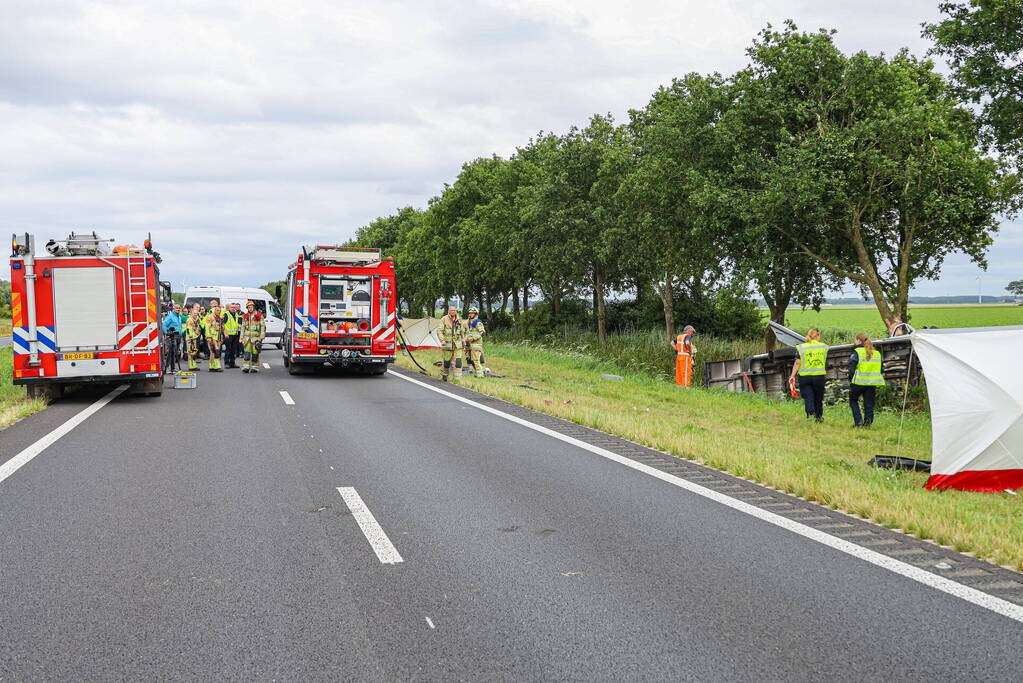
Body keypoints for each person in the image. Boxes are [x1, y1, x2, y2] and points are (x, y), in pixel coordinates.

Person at [789, 328, 828, 422]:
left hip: (805, 377)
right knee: (818, 398)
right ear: (818, 335)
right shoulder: (823, 347)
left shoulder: (801, 347)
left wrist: (792, 375)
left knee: (808, 396)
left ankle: (810, 413)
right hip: (819, 376)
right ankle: (819, 417)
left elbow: (797, 362)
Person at [848, 332, 885, 427]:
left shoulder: (857, 352)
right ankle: (868, 423)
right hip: (872, 383)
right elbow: (881, 369)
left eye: (855, 340)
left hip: (858, 383)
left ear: (858, 340)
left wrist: (851, 381)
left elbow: (851, 369)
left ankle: (858, 422)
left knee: (853, 400)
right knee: (869, 403)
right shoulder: (877, 353)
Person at [439, 305, 466, 382]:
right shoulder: (444, 319)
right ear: (448, 311)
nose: (453, 312)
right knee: (446, 363)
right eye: (451, 310)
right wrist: (442, 340)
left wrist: (464, 344)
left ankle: (457, 380)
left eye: (454, 310)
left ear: (456, 311)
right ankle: (444, 376)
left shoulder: (459, 320)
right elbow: (439, 331)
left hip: (458, 346)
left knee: (458, 362)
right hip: (447, 346)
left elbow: (462, 333)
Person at [240, 300, 266, 373]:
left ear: (254, 307)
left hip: (256, 338)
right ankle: (246, 367)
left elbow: (263, 326)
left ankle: (255, 367)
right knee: (247, 353)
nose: (250, 308)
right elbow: (243, 327)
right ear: (247, 308)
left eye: (251, 307)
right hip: (247, 339)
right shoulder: (245, 316)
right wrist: (241, 338)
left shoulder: (259, 315)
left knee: (255, 353)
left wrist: (261, 337)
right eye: (249, 307)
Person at [162, 303, 184, 373]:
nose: (178, 309)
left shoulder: (179, 316)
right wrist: (167, 333)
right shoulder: (170, 316)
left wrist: (181, 336)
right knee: (171, 352)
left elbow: (179, 327)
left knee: (175, 353)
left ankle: (172, 368)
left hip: (178, 336)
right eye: (177, 308)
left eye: (179, 308)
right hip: (172, 337)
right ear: (173, 309)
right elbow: (164, 324)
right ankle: (167, 368)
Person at [464, 307, 486, 378]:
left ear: (476, 314)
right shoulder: (469, 322)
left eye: (472, 313)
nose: (470, 314)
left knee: (476, 360)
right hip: (470, 344)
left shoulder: (478, 322)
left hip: (476, 344)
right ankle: (476, 372)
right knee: (470, 358)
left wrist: (473, 338)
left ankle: (480, 375)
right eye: (470, 313)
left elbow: (482, 333)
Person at [203, 302, 224, 372]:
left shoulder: (219, 318)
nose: (219, 311)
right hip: (212, 337)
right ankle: (217, 367)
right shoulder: (210, 317)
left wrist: (221, 337)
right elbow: (207, 327)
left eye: (220, 310)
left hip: (218, 337)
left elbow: (221, 328)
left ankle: (211, 366)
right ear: (214, 310)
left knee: (213, 352)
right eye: (217, 310)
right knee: (215, 352)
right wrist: (208, 337)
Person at [222, 302, 241, 368]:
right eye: (232, 307)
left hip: (235, 334)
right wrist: (225, 333)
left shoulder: (236, 314)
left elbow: (235, 324)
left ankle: (232, 363)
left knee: (233, 350)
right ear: (229, 308)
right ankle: (226, 363)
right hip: (228, 335)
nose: (233, 308)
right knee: (228, 349)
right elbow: (222, 324)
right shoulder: (226, 314)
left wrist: (240, 326)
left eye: (234, 307)